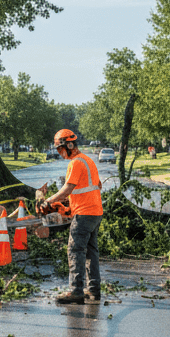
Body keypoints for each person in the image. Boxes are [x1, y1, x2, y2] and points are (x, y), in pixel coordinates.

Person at [36, 128, 103, 305]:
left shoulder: (75, 163)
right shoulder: (88, 160)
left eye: (60, 149)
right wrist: (64, 207)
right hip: (95, 212)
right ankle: (94, 290)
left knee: (75, 250)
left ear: (70, 145)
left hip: (84, 213)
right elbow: (95, 186)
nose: (59, 153)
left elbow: (68, 188)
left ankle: (76, 291)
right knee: (91, 252)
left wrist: (48, 201)